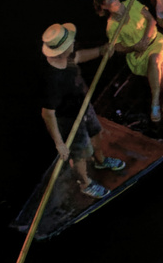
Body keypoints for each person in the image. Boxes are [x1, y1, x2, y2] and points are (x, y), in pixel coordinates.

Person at [39, 22, 124, 198]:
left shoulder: (67, 57)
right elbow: (47, 113)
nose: (74, 41)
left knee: (96, 133)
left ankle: (100, 162)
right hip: (70, 119)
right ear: (60, 51)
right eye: (69, 42)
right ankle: (85, 183)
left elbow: (79, 56)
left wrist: (101, 51)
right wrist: (59, 143)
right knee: (81, 153)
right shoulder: (53, 80)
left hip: (84, 106)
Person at [95, 0, 163, 124]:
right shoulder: (111, 26)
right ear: (104, 7)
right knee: (159, 68)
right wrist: (133, 47)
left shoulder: (131, 3)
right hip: (138, 54)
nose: (115, 0)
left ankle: (155, 102)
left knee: (154, 59)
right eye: (110, 1)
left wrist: (144, 41)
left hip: (155, 42)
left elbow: (151, 20)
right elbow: (117, 47)